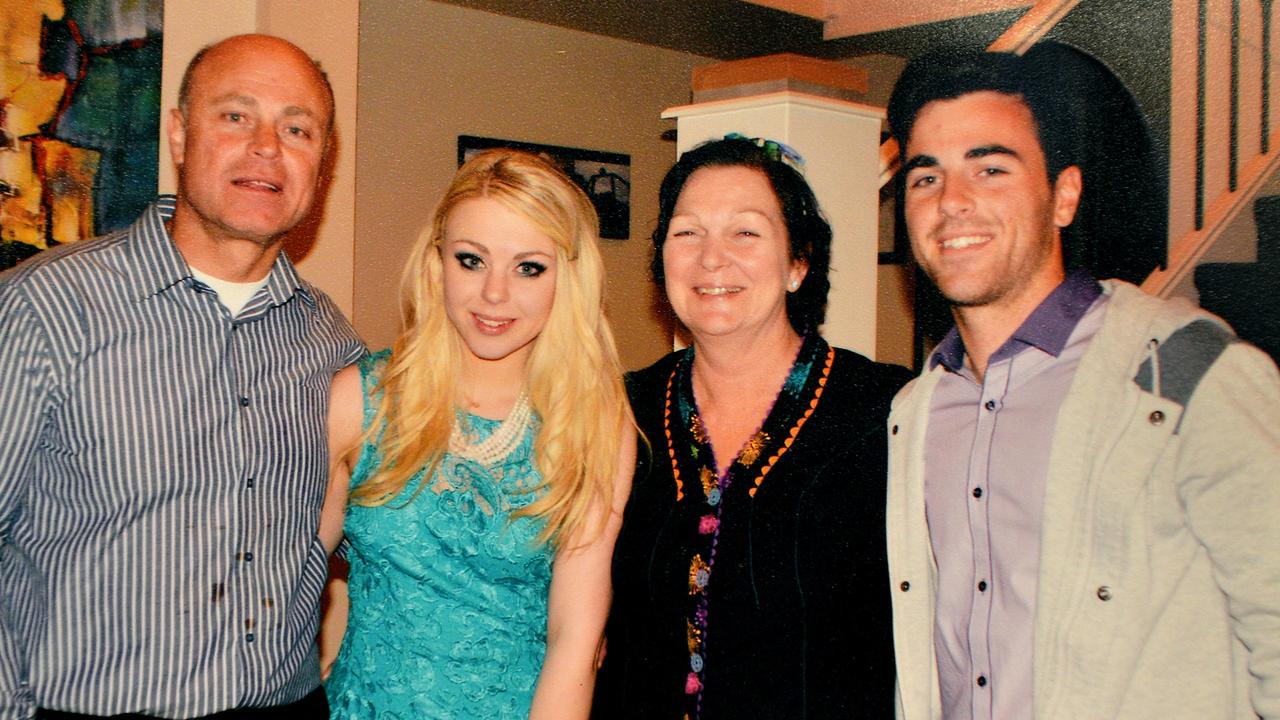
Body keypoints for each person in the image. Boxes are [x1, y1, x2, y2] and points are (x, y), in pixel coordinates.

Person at [884, 48, 1280, 719]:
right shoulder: (917, 409)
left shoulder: (1186, 376)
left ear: (1063, 195)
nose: (952, 201)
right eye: (927, 179)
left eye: (990, 168)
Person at [0, 34, 363, 719]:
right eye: (235, 115)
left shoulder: (333, 342)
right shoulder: (42, 308)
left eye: (297, 128)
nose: (267, 146)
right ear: (178, 134)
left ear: (323, 160)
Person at [594, 137, 912, 719]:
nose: (711, 259)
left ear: (798, 263)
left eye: (745, 232)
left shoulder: (889, 412)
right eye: (687, 232)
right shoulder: (618, 409)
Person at [319, 149, 635, 719]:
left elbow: (574, 640)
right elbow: (280, 584)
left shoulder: (594, 423)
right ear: (437, 262)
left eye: (528, 267)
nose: (494, 294)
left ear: (569, 275)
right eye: (472, 260)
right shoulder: (361, 399)